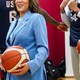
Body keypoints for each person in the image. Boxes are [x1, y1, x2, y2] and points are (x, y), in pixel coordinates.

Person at [1, 0, 49, 80]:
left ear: (30, 1)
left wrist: (30, 65)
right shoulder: (14, 22)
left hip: (31, 74)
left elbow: (44, 49)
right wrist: (4, 58)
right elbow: (12, 48)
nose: (19, 1)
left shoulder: (37, 18)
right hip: (13, 74)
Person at [60, 0, 80, 80]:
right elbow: (68, 23)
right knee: (76, 69)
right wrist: (62, 10)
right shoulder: (71, 2)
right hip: (73, 39)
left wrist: (77, 10)